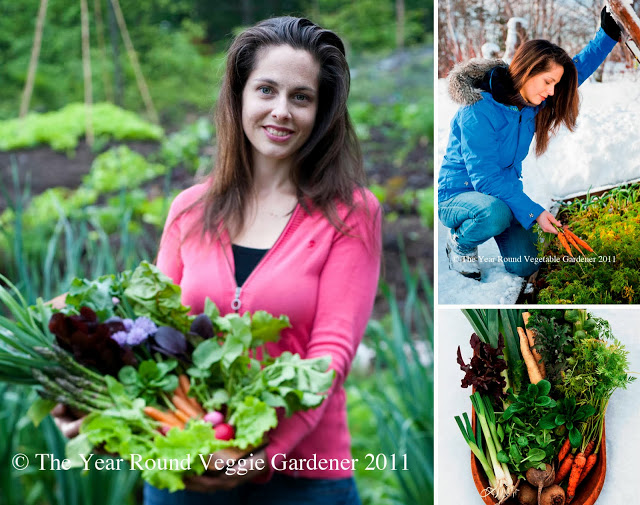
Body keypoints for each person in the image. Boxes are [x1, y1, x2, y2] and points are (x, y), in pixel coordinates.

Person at [146, 16, 381, 505]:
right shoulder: (189, 209)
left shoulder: (350, 213)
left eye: (301, 97)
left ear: (322, 111)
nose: (281, 111)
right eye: (266, 90)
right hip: (190, 462)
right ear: (239, 97)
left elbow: (330, 354)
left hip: (304, 476)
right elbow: (153, 333)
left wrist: (263, 454)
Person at [437, 6, 621, 280]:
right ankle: (461, 244)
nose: (551, 91)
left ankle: (496, 223)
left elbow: (576, 71)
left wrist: (607, 36)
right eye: (548, 81)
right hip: (459, 196)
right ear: (527, 70)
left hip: (503, 193)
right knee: (493, 213)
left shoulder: (530, 105)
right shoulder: (477, 111)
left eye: (554, 85)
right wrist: (535, 213)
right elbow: (485, 179)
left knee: (525, 266)